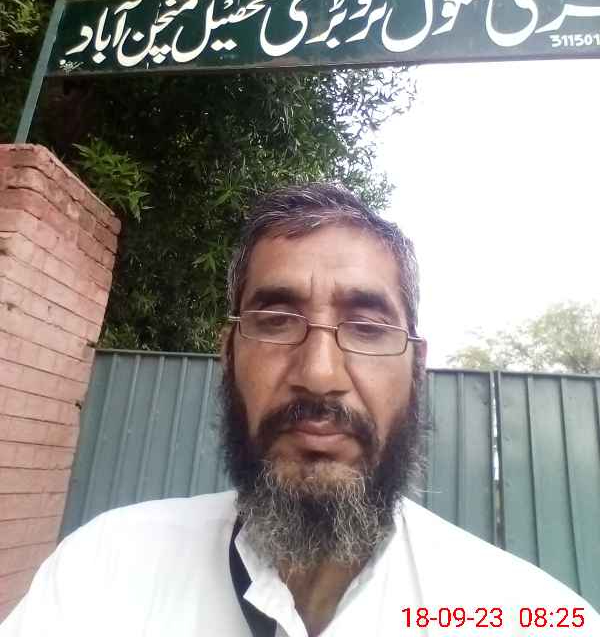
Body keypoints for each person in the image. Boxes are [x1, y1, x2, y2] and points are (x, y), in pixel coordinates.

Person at [1, 182, 598, 637]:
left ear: (416, 367)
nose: (319, 374)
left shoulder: (525, 614)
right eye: (276, 321)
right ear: (228, 354)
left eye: (367, 327)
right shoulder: (103, 571)